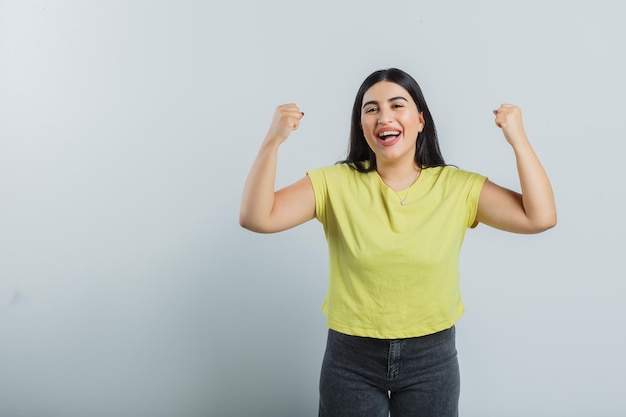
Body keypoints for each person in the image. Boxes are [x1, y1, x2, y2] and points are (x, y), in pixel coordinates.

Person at [239, 68, 556, 417]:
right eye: (371, 109)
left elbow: (539, 217)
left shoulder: (457, 187)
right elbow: (257, 217)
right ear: (361, 125)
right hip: (351, 360)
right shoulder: (334, 183)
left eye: (397, 105)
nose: (383, 117)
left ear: (420, 119)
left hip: (432, 360)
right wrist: (273, 141)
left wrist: (519, 140)